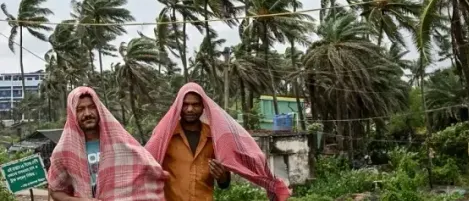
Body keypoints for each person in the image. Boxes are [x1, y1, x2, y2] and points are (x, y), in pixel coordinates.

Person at [146, 82, 291, 201]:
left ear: (203, 106)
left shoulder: (215, 137)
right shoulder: (165, 138)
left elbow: (224, 183)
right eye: (185, 104)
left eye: (195, 104)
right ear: (179, 106)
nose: (190, 109)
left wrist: (222, 177)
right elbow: (145, 166)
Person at [48, 86, 166, 201]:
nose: (87, 113)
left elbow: (146, 169)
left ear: (99, 109)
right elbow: (55, 190)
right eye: (80, 109)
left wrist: (159, 174)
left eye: (92, 107)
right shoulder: (64, 151)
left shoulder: (121, 144)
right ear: (73, 114)